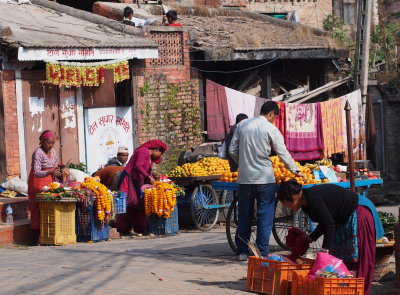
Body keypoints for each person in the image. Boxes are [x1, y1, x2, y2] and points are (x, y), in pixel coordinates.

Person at [276, 180, 384, 295]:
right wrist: (310, 238)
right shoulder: (306, 203)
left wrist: (325, 249)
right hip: (344, 217)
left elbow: (328, 223)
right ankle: (346, 290)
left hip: (360, 212)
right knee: (343, 258)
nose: (288, 208)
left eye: (286, 204)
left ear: (293, 199)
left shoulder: (312, 198)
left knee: (361, 257)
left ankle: (361, 291)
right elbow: (325, 220)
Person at [229, 101, 302, 261]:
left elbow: (232, 150)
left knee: (244, 215)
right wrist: (296, 170)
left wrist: (243, 162)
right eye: (274, 117)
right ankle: (262, 252)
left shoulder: (242, 125)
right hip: (265, 179)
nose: (274, 120)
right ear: (271, 114)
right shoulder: (271, 128)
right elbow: (282, 153)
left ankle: (242, 251)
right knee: (265, 216)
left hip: (245, 179)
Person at [115, 139, 167, 234]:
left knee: (138, 204)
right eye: (161, 153)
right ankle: (124, 228)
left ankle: (140, 228)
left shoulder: (149, 156)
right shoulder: (143, 151)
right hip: (129, 179)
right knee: (128, 204)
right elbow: (138, 166)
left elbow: (147, 171)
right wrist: (148, 177)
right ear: (156, 149)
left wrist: (153, 178)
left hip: (137, 180)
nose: (160, 156)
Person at [27, 130, 61, 243]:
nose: (51, 145)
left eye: (53, 143)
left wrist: (60, 171)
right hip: (37, 182)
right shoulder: (38, 153)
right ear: (42, 141)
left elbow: (55, 165)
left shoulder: (53, 151)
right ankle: (36, 236)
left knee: (49, 207)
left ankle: (49, 234)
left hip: (50, 181)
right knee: (37, 208)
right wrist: (49, 172)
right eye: (48, 143)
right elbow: (36, 172)